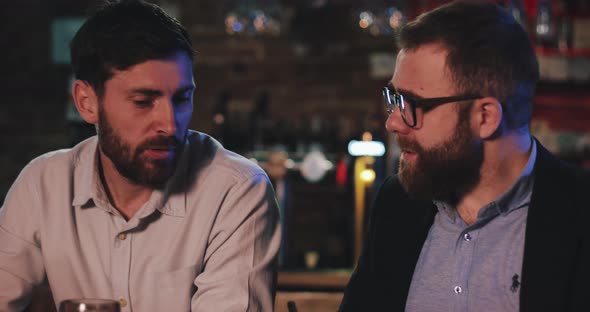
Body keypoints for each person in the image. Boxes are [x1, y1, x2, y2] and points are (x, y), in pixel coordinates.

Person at [0, 1, 280, 311]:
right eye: (143, 101)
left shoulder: (236, 190)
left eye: (181, 99)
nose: (170, 124)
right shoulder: (44, 184)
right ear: (86, 102)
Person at [339, 1, 590, 312]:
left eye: (413, 105)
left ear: (485, 117)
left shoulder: (580, 212)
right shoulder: (397, 203)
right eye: (395, 99)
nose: (393, 121)